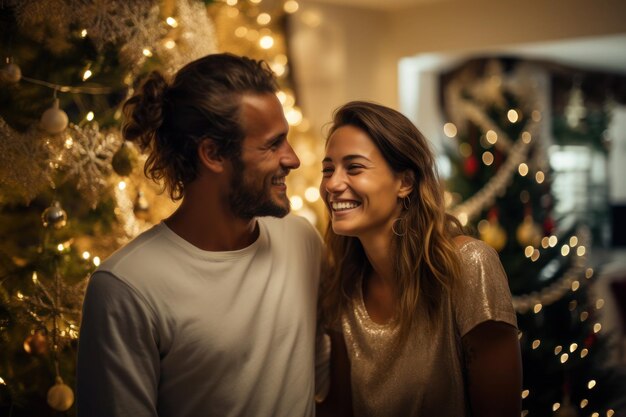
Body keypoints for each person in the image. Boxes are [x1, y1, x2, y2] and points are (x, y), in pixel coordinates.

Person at [77, 53, 327, 417]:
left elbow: (325, 381)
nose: (292, 159)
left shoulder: (302, 241)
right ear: (212, 154)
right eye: (273, 144)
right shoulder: (126, 288)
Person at [317, 101, 522, 417]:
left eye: (353, 167)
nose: (332, 184)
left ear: (405, 183)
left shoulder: (469, 265)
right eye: (328, 169)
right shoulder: (343, 286)